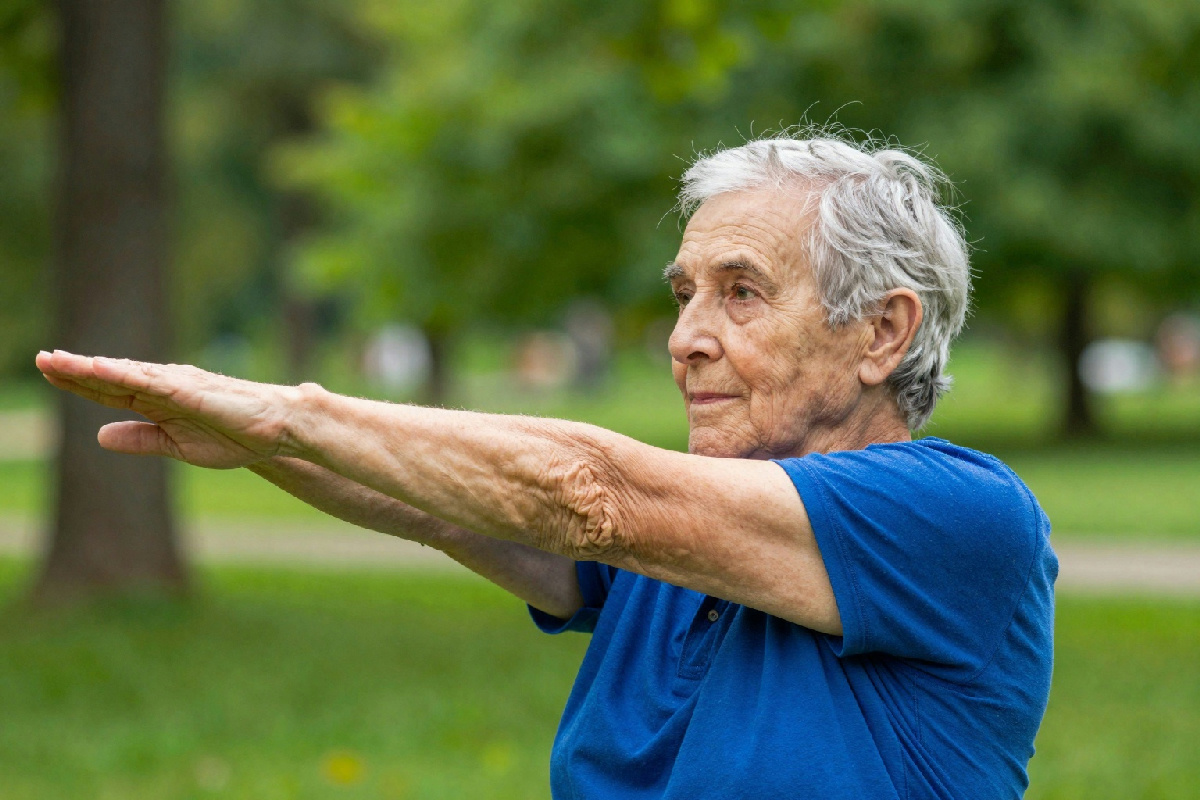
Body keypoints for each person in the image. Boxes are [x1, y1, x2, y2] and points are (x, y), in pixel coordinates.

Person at [37, 132, 1056, 799]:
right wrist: (269, 444)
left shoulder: (962, 519)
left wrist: (297, 413)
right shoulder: (684, 545)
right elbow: (441, 506)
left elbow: (588, 494)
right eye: (685, 294)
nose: (686, 338)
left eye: (742, 293)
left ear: (882, 332)